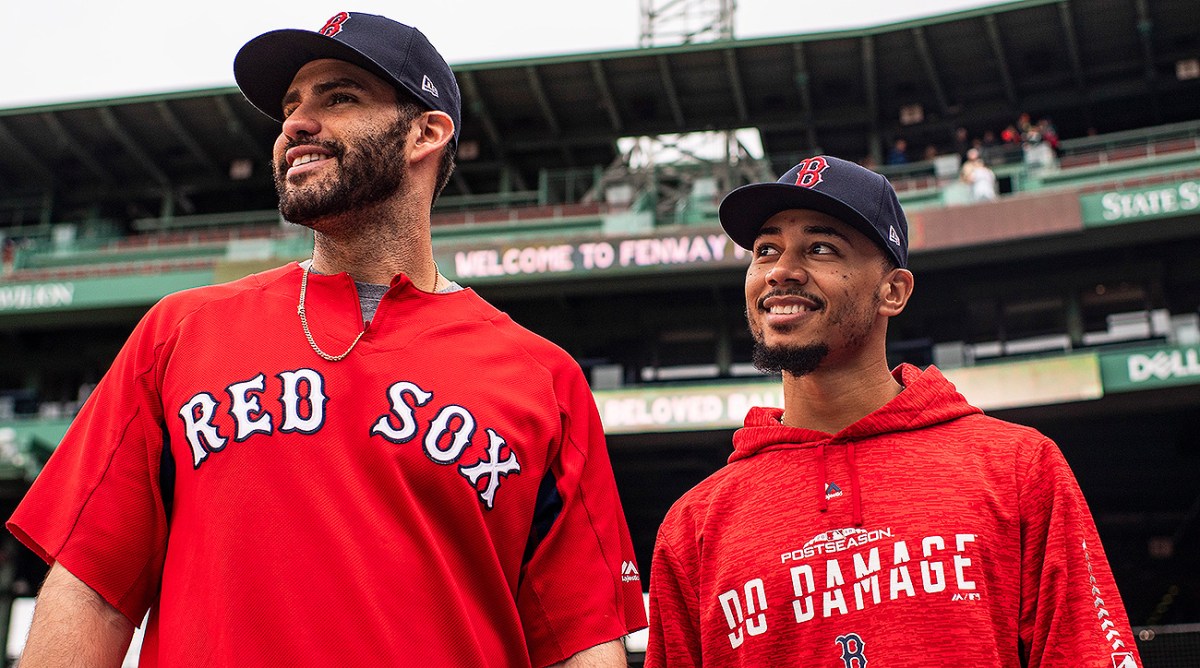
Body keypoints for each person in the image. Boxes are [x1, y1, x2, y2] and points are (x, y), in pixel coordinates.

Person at [8, 12, 646, 667]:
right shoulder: (178, 333)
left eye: (339, 97)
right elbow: (93, 594)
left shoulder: (543, 377)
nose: (295, 124)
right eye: (290, 105)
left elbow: (580, 643)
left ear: (426, 133)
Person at [644, 155, 1141, 667]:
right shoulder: (694, 524)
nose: (782, 271)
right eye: (765, 250)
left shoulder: (1018, 467)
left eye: (820, 248)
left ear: (893, 291)